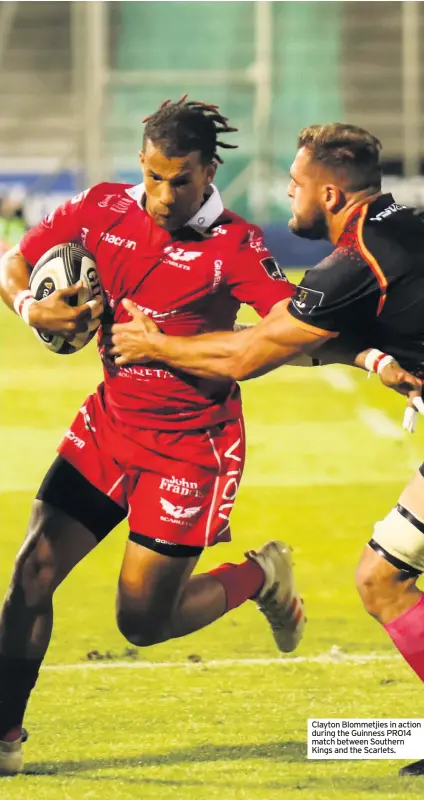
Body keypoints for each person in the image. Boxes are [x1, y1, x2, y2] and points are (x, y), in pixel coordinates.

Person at [0, 97, 310, 776]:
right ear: (140, 165)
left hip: (190, 449)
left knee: (140, 623)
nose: (164, 195)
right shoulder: (103, 207)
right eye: (153, 177)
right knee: (32, 572)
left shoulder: (236, 245)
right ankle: (5, 740)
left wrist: (165, 347)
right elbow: (11, 263)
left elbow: (283, 335)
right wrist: (32, 307)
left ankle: (259, 574)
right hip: (110, 425)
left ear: (209, 171)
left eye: (182, 180)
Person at [107, 123, 424, 778]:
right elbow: (299, 335)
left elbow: (253, 355)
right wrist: (375, 354)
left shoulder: (353, 262)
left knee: (382, 579)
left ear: (330, 195)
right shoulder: (405, 225)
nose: (287, 195)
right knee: (381, 576)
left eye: (295, 184)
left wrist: (154, 345)